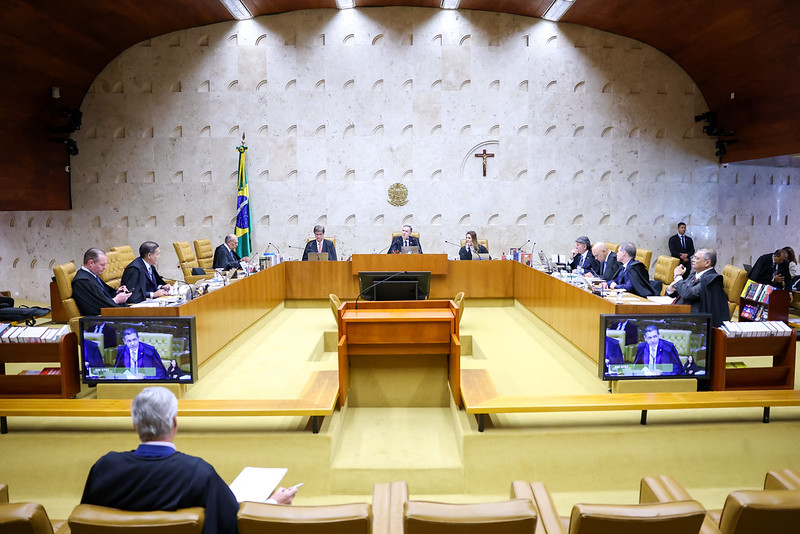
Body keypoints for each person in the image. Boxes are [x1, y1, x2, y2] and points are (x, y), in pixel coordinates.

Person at [80, 387, 297, 534]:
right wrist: (273, 503)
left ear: (135, 424)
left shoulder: (104, 467)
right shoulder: (198, 473)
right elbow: (233, 523)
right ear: (175, 422)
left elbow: (88, 522)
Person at [665, 248, 731, 327]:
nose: (692, 260)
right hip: (679, 314)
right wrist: (670, 290)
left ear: (707, 263)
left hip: (693, 322)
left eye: (697, 258)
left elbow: (688, 293)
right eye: (693, 257)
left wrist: (678, 276)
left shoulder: (712, 279)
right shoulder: (694, 275)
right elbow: (682, 290)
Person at [71, 248, 132, 316]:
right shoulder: (82, 281)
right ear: (91, 263)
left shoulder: (93, 276)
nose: (105, 267)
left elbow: (103, 295)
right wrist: (116, 300)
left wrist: (117, 292)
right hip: (99, 321)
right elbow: (95, 307)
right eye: (102, 265)